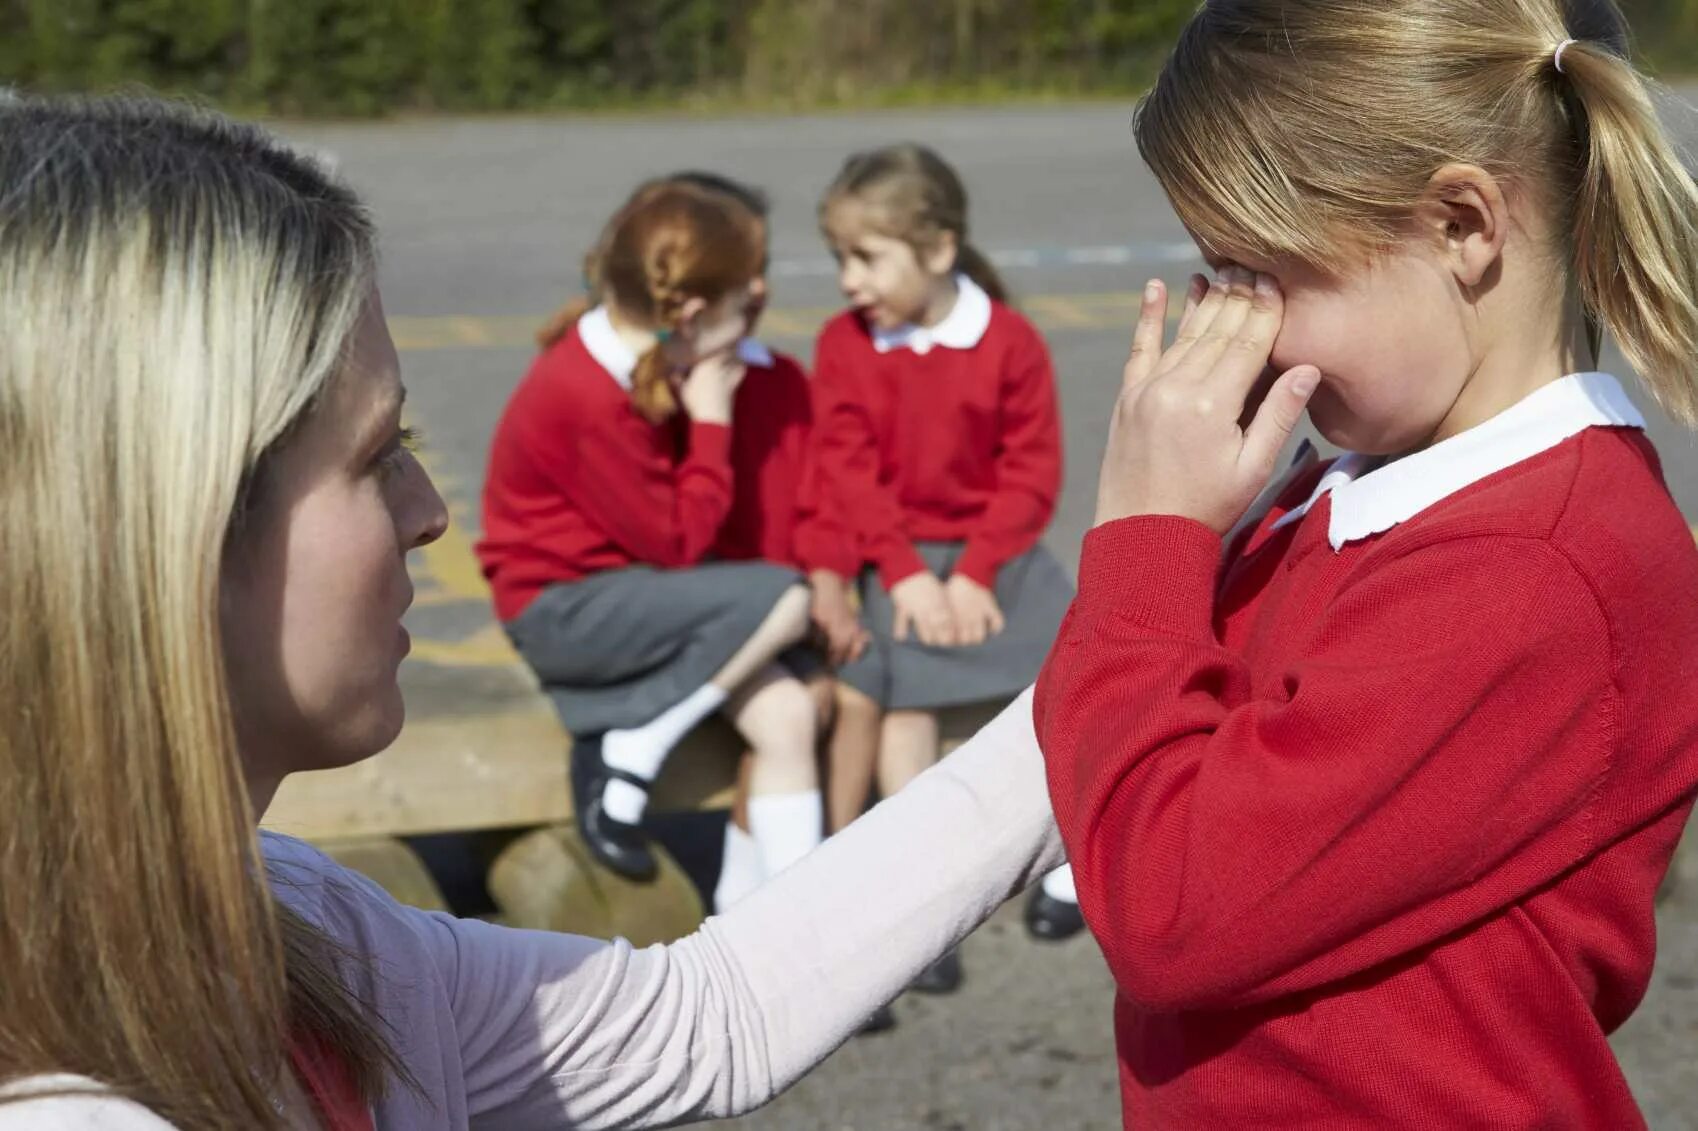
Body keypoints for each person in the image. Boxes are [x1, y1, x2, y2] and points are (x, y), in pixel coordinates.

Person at [0, 93, 1062, 1130]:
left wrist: (1110, 668)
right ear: (162, 534)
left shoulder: (303, 925)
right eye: (378, 458)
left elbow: (715, 1014)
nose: (428, 514)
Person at [1032, 1, 1698, 1126]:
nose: (1229, 323)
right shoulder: (1352, 486)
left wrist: (1148, 536)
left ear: (1462, 223)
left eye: (1257, 272)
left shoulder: (1531, 571)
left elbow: (1172, 911)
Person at [479, 182, 834, 887]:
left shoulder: (637, 354)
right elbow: (677, 543)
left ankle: (784, 929)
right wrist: (711, 419)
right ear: (693, 312)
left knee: (788, 713)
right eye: (745, 301)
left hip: (636, 601)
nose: (757, 308)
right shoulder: (587, 390)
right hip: (566, 612)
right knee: (786, 599)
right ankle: (637, 741)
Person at [805, 143, 1084, 979]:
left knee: (1081, 671)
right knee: (906, 707)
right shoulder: (845, 344)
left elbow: (1030, 472)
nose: (848, 280)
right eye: (839, 258)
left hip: (992, 551)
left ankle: (1076, 864)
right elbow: (848, 474)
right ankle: (921, 905)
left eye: (865, 258)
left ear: (936, 250)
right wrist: (908, 575)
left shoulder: (1010, 342)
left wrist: (974, 572)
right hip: (894, 554)